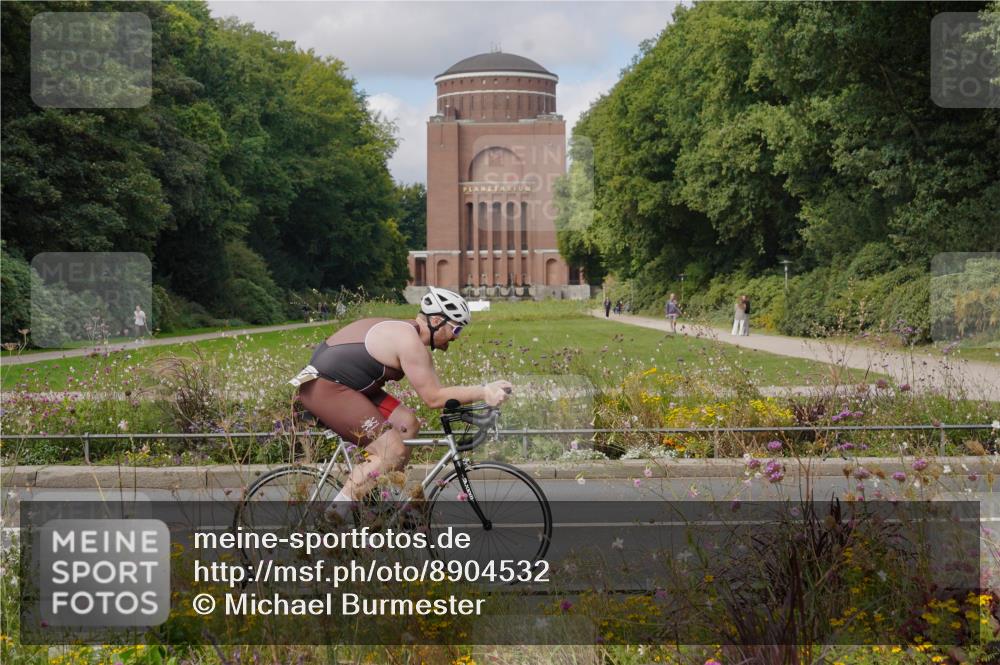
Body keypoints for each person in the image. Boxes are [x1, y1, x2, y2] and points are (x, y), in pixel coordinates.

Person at [288, 286, 513, 520]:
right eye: (456, 329)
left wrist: (486, 389)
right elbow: (434, 397)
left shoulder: (407, 331)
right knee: (392, 451)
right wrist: (483, 392)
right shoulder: (409, 341)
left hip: (348, 384)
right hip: (327, 388)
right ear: (436, 320)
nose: (456, 337)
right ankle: (334, 516)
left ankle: (381, 498)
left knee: (408, 423)